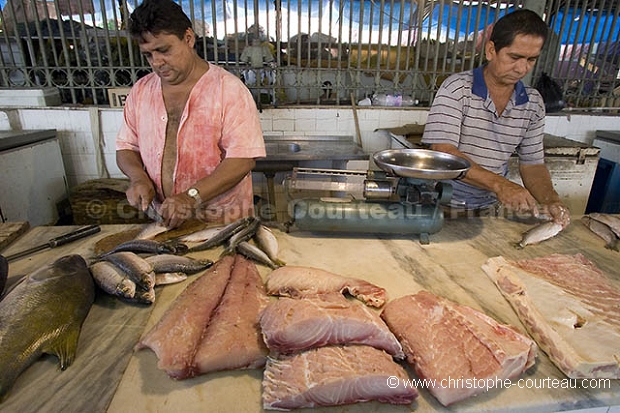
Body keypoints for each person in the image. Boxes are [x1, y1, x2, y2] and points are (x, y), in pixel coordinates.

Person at [116, 0, 266, 228]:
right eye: (148, 55)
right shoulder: (141, 91)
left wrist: (191, 196)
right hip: (164, 220)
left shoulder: (229, 90)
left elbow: (242, 159)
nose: (156, 62)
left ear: (188, 38)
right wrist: (137, 177)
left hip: (222, 223)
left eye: (163, 50)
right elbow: (126, 146)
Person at [421, 9, 570, 228]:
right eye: (514, 57)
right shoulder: (457, 89)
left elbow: (533, 164)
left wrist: (550, 200)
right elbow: (444, 153)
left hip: (488, 209)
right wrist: (501, 185)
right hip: (440, 206)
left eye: (531, 60)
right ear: (491, 50)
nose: (522, 68)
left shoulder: (533, 103)